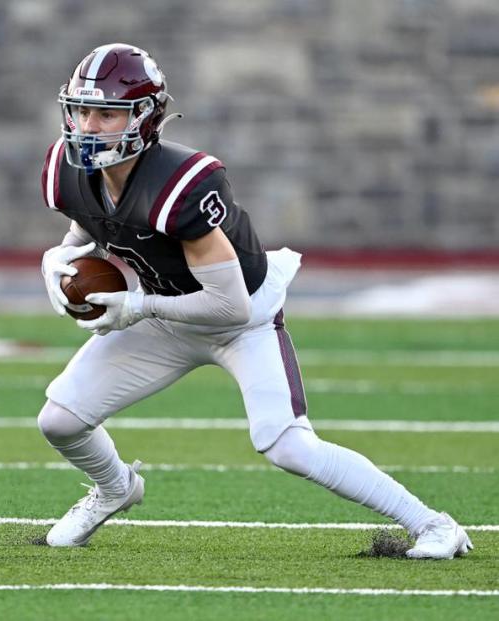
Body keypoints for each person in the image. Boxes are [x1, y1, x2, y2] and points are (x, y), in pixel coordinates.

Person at [36, 43, 472, 559]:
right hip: (164, 312)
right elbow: (90, 223)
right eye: (82, 109)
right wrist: (58, 261)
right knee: (59, 420)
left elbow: (229, 307)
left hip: (239, 319)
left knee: (287, 445)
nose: (88, 125)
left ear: (146, 118)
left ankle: (435, 525)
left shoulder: (178, 186)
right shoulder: (67, 169)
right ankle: (115, 488)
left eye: (106, 112)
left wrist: (137, 308)